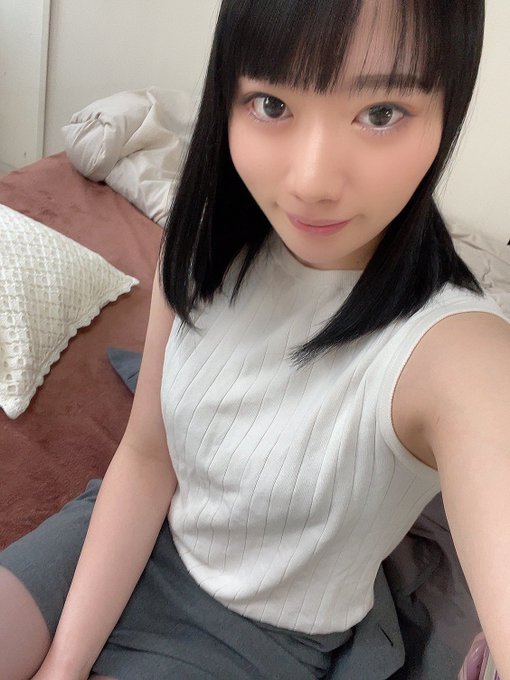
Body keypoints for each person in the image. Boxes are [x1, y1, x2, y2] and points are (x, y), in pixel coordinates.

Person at [1, 0, 509, 678]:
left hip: (258, 639)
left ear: (448, 109)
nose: (312, 182)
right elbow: (147, 460)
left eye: (381, 112)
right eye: (272, 104)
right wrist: (63, 665)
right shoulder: (202, 241)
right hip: (117, 534)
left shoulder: (455, 350)